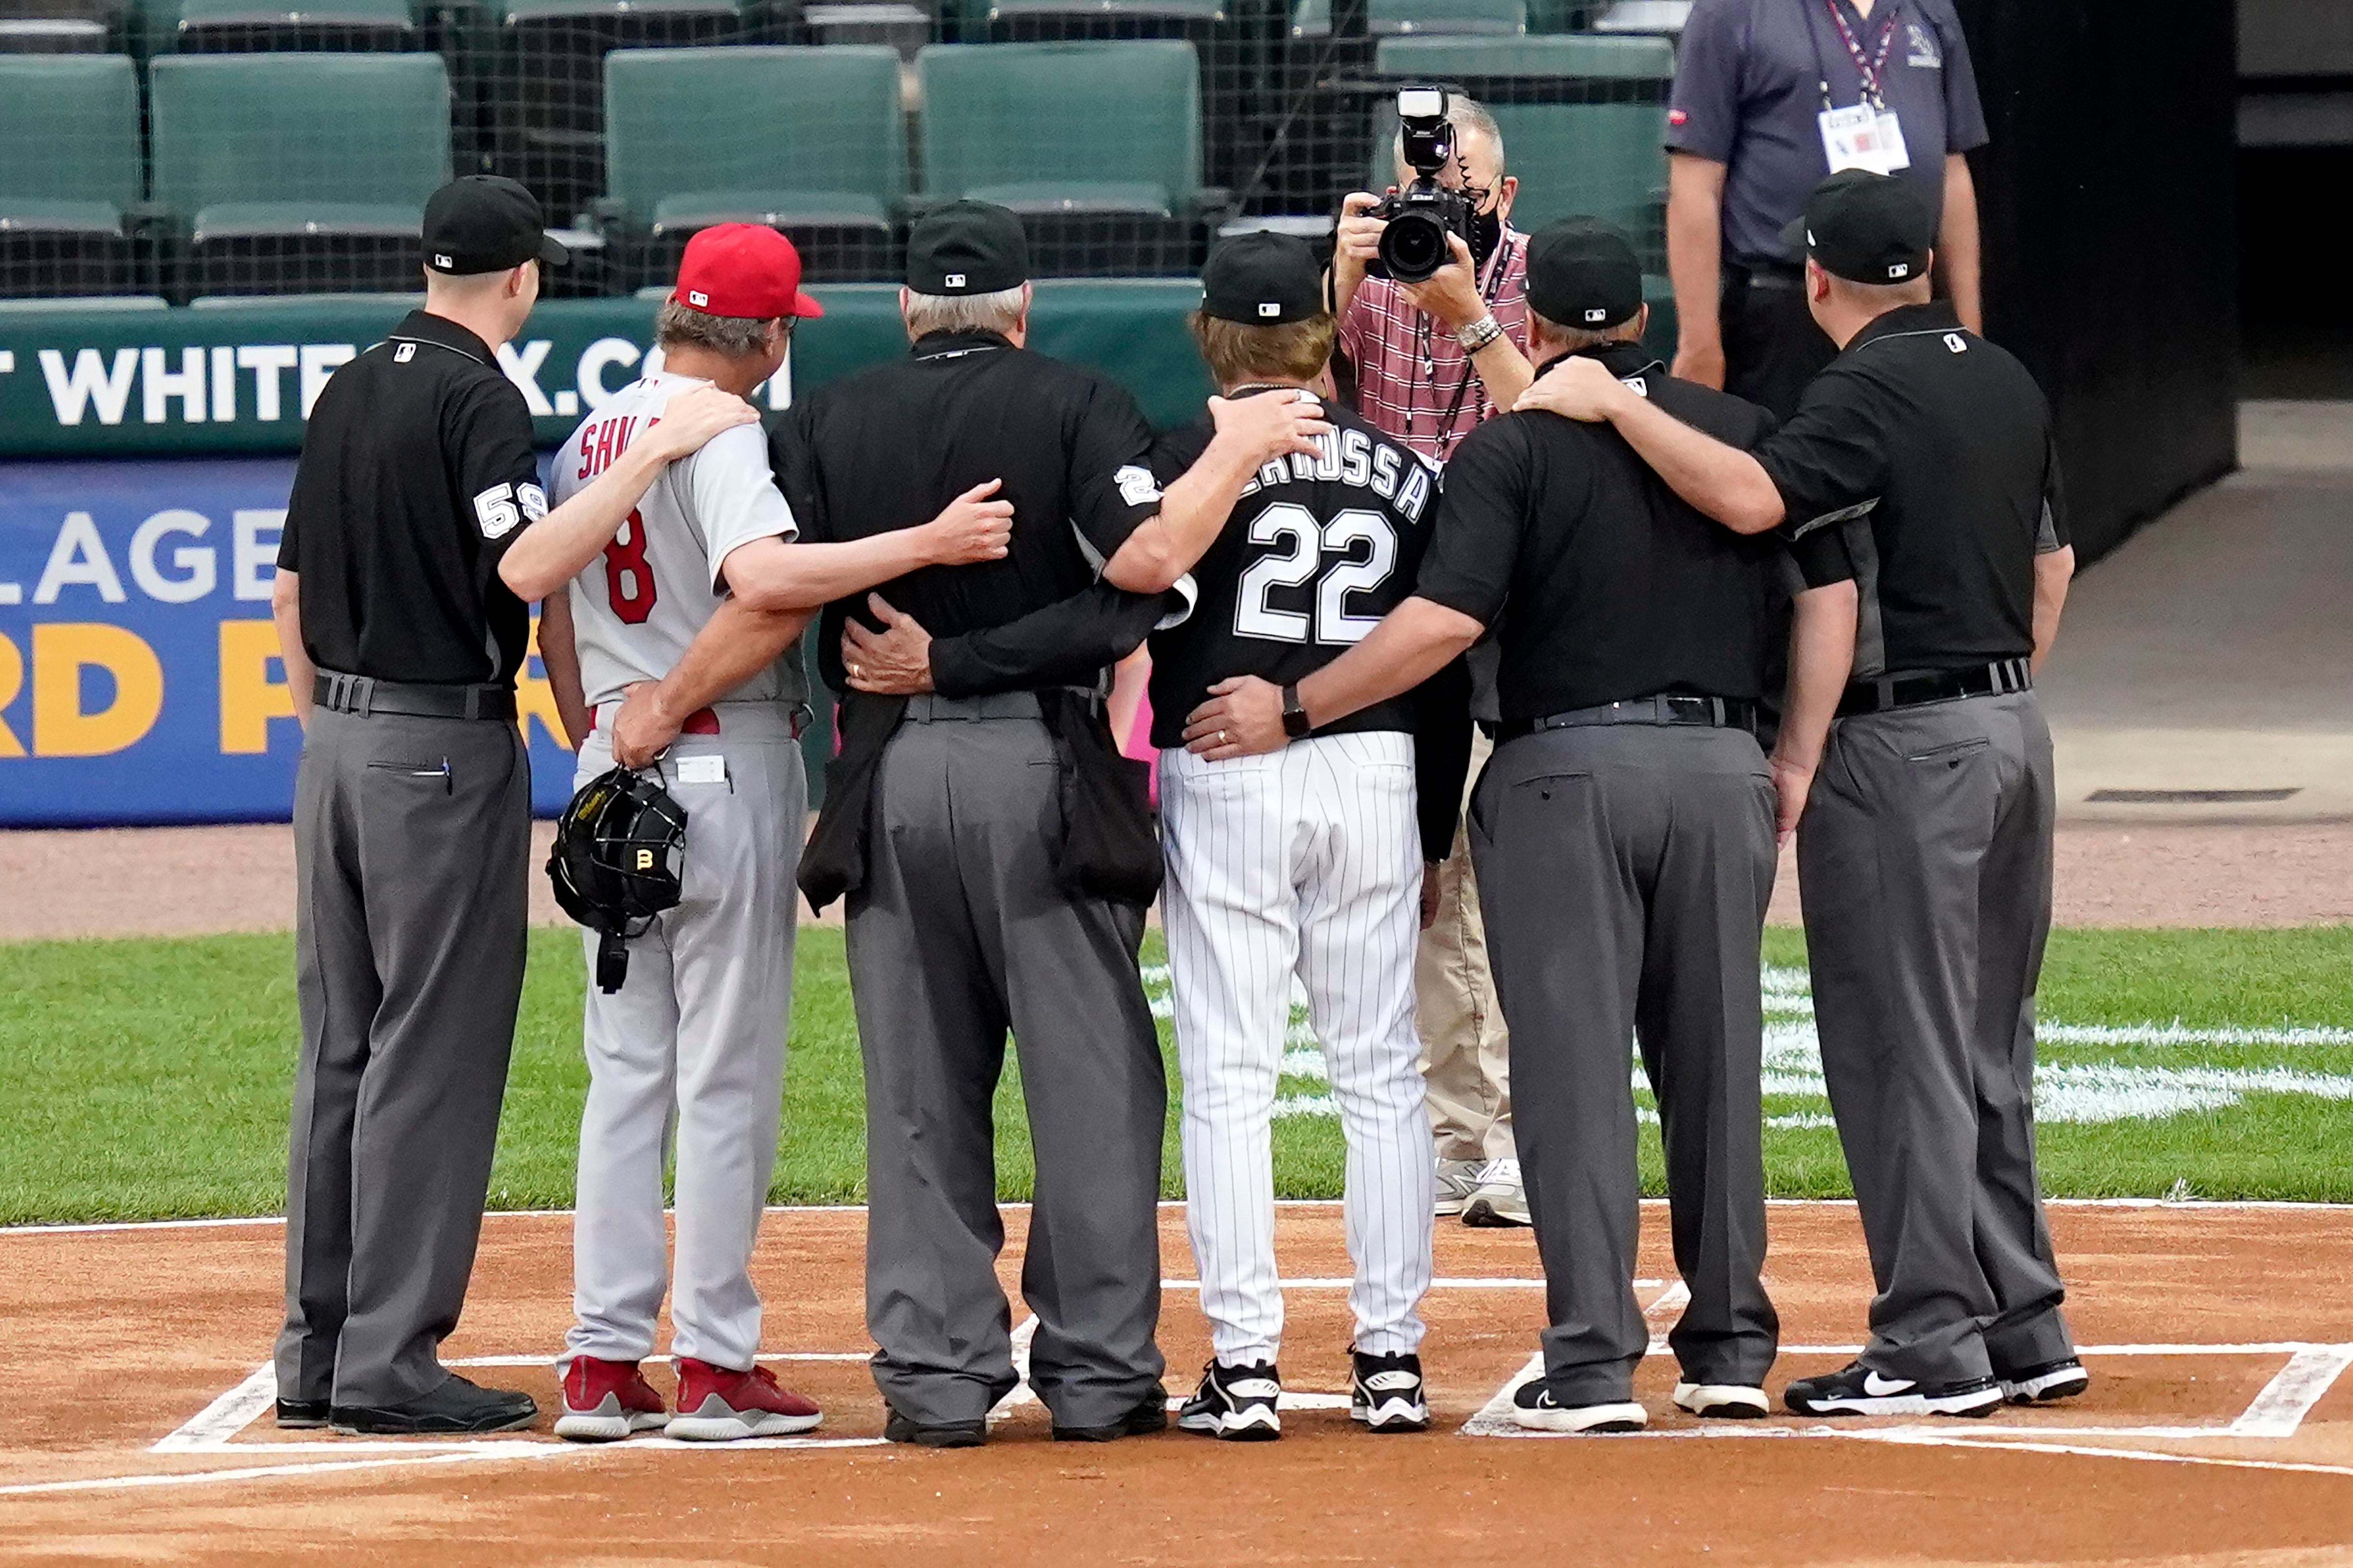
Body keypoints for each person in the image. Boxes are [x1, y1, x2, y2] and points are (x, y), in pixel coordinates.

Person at [613, 201, 1330, 1448]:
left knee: (917, 1096)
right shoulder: (1074, 398)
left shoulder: (827, 417)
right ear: (1021, 306)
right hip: (1038, 772)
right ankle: (1099, 1377)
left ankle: (937, 1382)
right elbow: (1142, 571)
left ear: (902, 309)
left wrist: (669, 698)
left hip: (880, 783)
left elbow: (781, 597)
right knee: (1090, 1090)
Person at [1186, 217, 1858, 1433]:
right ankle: (1723, 1353)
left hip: (1562, 774)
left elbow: (1441, 630)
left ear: (1533, 322)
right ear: (1645, 321)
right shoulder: (1741, 434)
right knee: (1713, 1066)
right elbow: (1827, 592)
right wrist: (1794, 753)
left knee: (1569, 1075)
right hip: (1719, 768)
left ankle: (1594, 1363)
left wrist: (1295, 706)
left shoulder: (1507, 456)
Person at [1519, 171, 2085, 1418]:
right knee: (1990, 1042)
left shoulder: (1862, 390)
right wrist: (1988, 698)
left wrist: (1613, 406)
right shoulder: (2002, 376)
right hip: (2010, 733)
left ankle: (1931, 1340)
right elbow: (2051, 571)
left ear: (1816, 279)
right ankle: (2022, 1321)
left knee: (1899, 1048)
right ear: (1927, 266)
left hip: (1906, 751)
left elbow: (1751, 498)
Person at [269, 175, 756, 1437]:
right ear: (524, 280)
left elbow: (288, 594)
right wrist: (653, 449)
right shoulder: (476, 394)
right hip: (435, 749)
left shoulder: (350, 381)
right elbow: (530, 563)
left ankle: (316, 1353)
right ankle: (389, 1360)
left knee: (341, 1051)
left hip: (334, 745)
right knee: (430, 1049)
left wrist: (333, 729)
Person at [525, 225, 1019, 1444]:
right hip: (718, 752)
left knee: (625, 1073)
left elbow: (553, 611)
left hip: (615, 754)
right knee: (725, 1074)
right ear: (769, 334)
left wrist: (602, 731)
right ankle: (713, 1366)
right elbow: (763, 580)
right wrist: (923, 544)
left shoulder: (594, 430)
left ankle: (597, 1363)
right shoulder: (728, 429)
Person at [1134, 233, 1470, 1441]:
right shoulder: (1407, 466)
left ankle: (1247, 1363)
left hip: (1226, 761)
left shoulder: (1182, 461)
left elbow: (1136, 608)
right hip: (1377, 766)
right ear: (1325, 341)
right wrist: (1431, 834)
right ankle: (1388, 1359)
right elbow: (1441, 669)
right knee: (1378, 1071)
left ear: (1206, 334)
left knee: (1230, 1074)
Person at [1330, 89, 1529, 1229]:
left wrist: (1463, 311)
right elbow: (1288, 380)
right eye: (1420, 193)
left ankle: (1512, 1134)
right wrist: (1338, 271)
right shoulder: (1370, 281)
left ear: (1497, 196)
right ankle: (1452, 1133)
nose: (1434, 213)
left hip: (1505, 616)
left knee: (1496, 884)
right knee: (1414, 882)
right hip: (1394, 615)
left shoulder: (1538, 280)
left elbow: (1546, 414)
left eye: (1456, 191)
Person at [1664, 0, 1989, 419]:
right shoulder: (1730, 11)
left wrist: (1969, 328)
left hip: (1910, 306)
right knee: (1787, 474)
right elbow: (1694, 187)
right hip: (1789, 311)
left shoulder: (1931, 10)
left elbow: (1953, 172)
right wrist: (1699, 344)